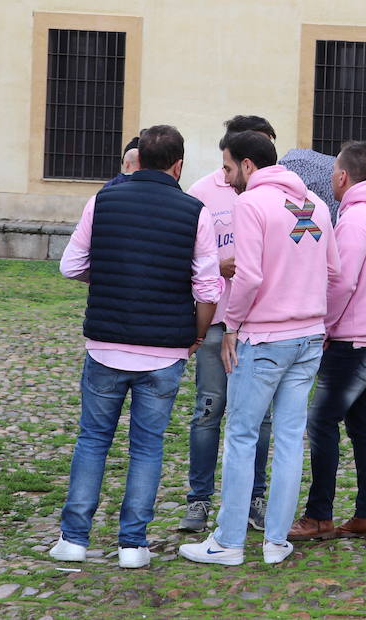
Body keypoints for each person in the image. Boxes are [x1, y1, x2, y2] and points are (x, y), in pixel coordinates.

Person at [54, 125, 222, 569]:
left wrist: (111, 276)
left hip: (106, 345)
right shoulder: (195, 212)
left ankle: (74, 539)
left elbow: (71, 265)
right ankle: (133, 544)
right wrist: (198, 335)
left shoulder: (103, 200)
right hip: (164, 351)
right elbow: (208, 289)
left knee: (92, 441)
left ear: (138, 159)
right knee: (147, 447)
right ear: (178, 165)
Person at [180, 130, 339, 567]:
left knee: (242, 435)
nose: (226, 178)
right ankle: (275, 541)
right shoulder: (317, 205)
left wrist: (230, 325)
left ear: (249, 165)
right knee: (289, 439)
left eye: (229, 168)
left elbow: (247, 277)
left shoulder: (250, 204)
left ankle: (229, 541)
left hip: (264, 338)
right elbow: (334, 271)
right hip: (308, 338)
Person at [288, 142, 366, 543]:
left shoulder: (356, 219)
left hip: (357, 340)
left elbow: (342, 281)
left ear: (342, 176)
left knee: (321, 423)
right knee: (362, 426)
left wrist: (322, 327)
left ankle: (319, 515)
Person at [180, 114, 277, 536]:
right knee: (208, 409)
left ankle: (255, 496)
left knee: (260, 418)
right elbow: (186, 255)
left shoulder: (276, 195)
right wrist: (218, 267)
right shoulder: (202, 192)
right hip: (218, 322)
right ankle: (199, 499)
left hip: (261, 323)